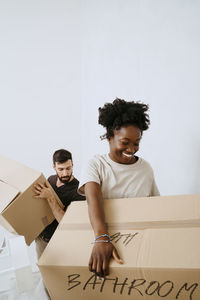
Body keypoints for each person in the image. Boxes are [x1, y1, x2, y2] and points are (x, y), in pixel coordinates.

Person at [78, 98, 160, 278]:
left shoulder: (145, 169)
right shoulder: (95, 165)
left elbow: (155, 207)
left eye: (136, 142)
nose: (131, 149)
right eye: (125, 142)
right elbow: (93, 201)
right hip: (102, 241)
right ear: (109, 138)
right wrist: (101, 239)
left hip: (138, 247)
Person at [33, 149, 85, 258]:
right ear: (54, 167)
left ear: (73, 165)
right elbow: (41, 206)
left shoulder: (79, 192)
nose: (65, 173)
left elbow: (65, 222)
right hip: (41, 239)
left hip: (58, 244)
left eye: (68, 168)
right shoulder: (51, 180)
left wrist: (50, 197)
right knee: (44, 273)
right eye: (60, 169)